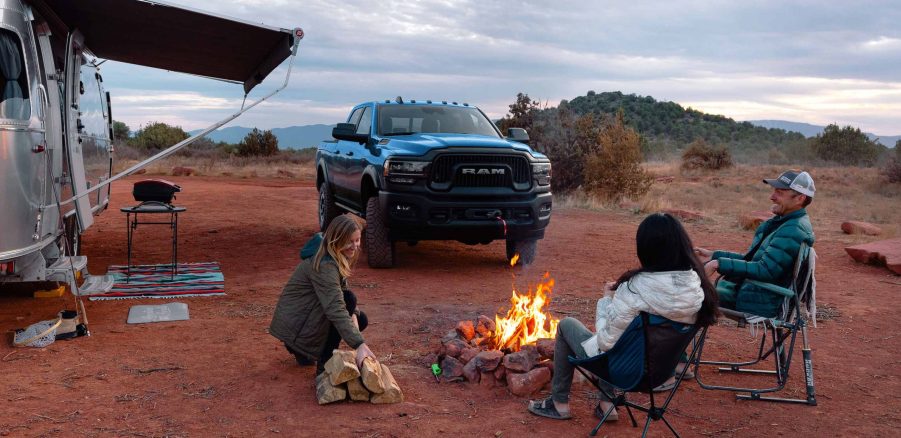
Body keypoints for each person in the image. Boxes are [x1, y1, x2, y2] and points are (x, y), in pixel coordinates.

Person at [527, 213, 719, 420]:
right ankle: (607, 404)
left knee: (568, 325)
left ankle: (559, 404)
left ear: (645, 249)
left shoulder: (635, 290)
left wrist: (607, 300)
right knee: (625, 336)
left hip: (627, 373)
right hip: (661, 374)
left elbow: (606, 342)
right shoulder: (697, 287)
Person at [695, 170, 815, 318]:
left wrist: (717, 264)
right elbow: (755, 260)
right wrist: (714, 255)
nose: (772, 197)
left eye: (779, 193)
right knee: (690, 292)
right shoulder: (785, 223)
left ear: (800, 198)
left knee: (687, 295)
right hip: (753, 293)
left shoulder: (793, 229)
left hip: (758, 301)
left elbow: (765, 270)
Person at [269, 215, 376, 375]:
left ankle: (302, 351)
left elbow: (341, 289)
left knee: (360, 319)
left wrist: (353, 313)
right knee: (348, 301)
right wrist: (359, 344)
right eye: (350, 241)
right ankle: (324, 364)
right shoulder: (325, 265)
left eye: (358, 240)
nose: (355, 246)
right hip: (296, 328)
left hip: (302, 322)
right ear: (336, 239)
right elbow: (336, 307)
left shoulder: (333, 254)